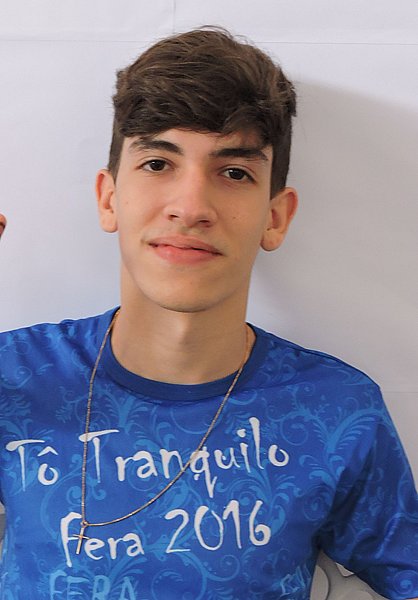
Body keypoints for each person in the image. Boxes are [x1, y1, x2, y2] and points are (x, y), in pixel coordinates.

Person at [0, 27, 417, 600]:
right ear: (108, 198)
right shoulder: (13, 374)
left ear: (276, 217)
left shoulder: (339, 410)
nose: (191, 206)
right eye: (157, 163)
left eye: (234, 172)